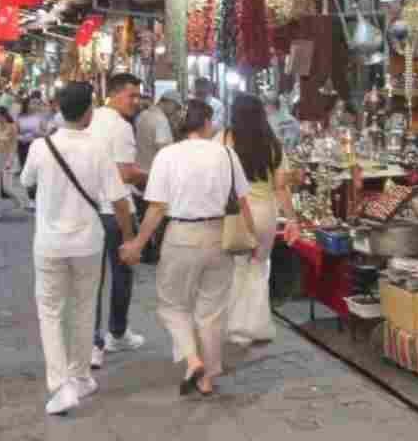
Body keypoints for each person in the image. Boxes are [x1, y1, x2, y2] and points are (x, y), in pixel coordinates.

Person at [119, 100, 254, 397]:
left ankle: (193, 361)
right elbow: (243, 201)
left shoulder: (167, 156)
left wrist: (137, 243)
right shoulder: (226, 154)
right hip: (219, 235)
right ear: (206, 123)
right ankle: (208, 377)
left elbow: (156, 208)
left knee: (172, 305)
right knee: (212, 311)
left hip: (181, 235)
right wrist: (252, 238)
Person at [21, 82, 133, 415]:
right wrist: (128, 237)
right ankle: (80, 376)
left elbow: (26, 182)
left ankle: (60, 385)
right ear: (89, 112)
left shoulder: (41, 148)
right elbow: (119, 199)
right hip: (88, 242)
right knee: (84, 308)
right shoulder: (98, 148)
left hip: (49, 244)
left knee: (51, 312)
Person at [219, 94, 299, 345]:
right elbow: (281, 187)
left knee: (236, 267)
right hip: (265, 212)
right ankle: (256, 325)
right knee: (259, 266)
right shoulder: (272, 143)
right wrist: (292, 219)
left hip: (235, 212)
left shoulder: (223, 138)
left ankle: (234, 327)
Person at [87, 73, 148, 368]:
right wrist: (149, 177)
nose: (135, 102)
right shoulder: (121, 127)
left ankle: (92, 344)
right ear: (113, 94)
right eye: (130, 96)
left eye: (138, 96)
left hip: (89, 210)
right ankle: (117, 332)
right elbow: (125, 173)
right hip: (117, 211)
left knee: (92, 279)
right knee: (123, 272)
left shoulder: (91, 119)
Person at [0, 105, 32, 214]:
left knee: (7, 187)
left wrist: (10, 160)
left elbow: (14, 145)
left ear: (2, 115)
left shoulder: (12, 127)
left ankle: (21, 203)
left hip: (8, 157)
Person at [135, 91, 180, 174]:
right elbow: (163, 149)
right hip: (153, 172)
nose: (175, 111)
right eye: (176, 107)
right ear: (169, 103)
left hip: (139, 169)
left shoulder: (142, 114)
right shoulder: (160, 120)